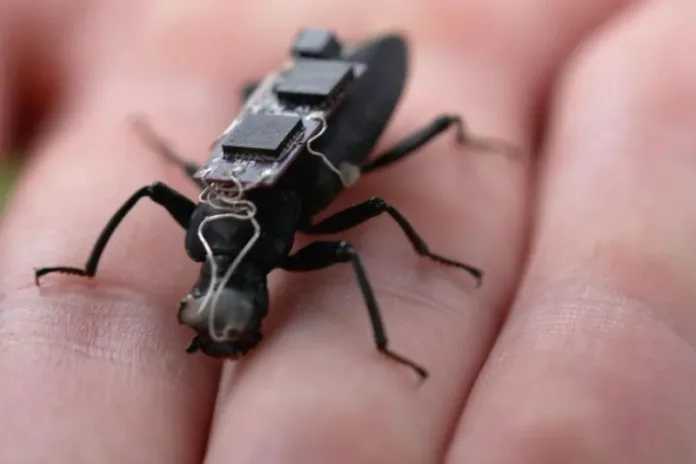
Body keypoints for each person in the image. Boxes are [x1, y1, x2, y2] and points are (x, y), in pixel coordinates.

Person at [0, 1, 693, 462]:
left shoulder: (284, 216)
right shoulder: (218, 215)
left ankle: (456, 146)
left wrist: (423, 261)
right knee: (166, 186)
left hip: (350, 109)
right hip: (292, 132)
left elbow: (376, 217)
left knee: (372, 208)